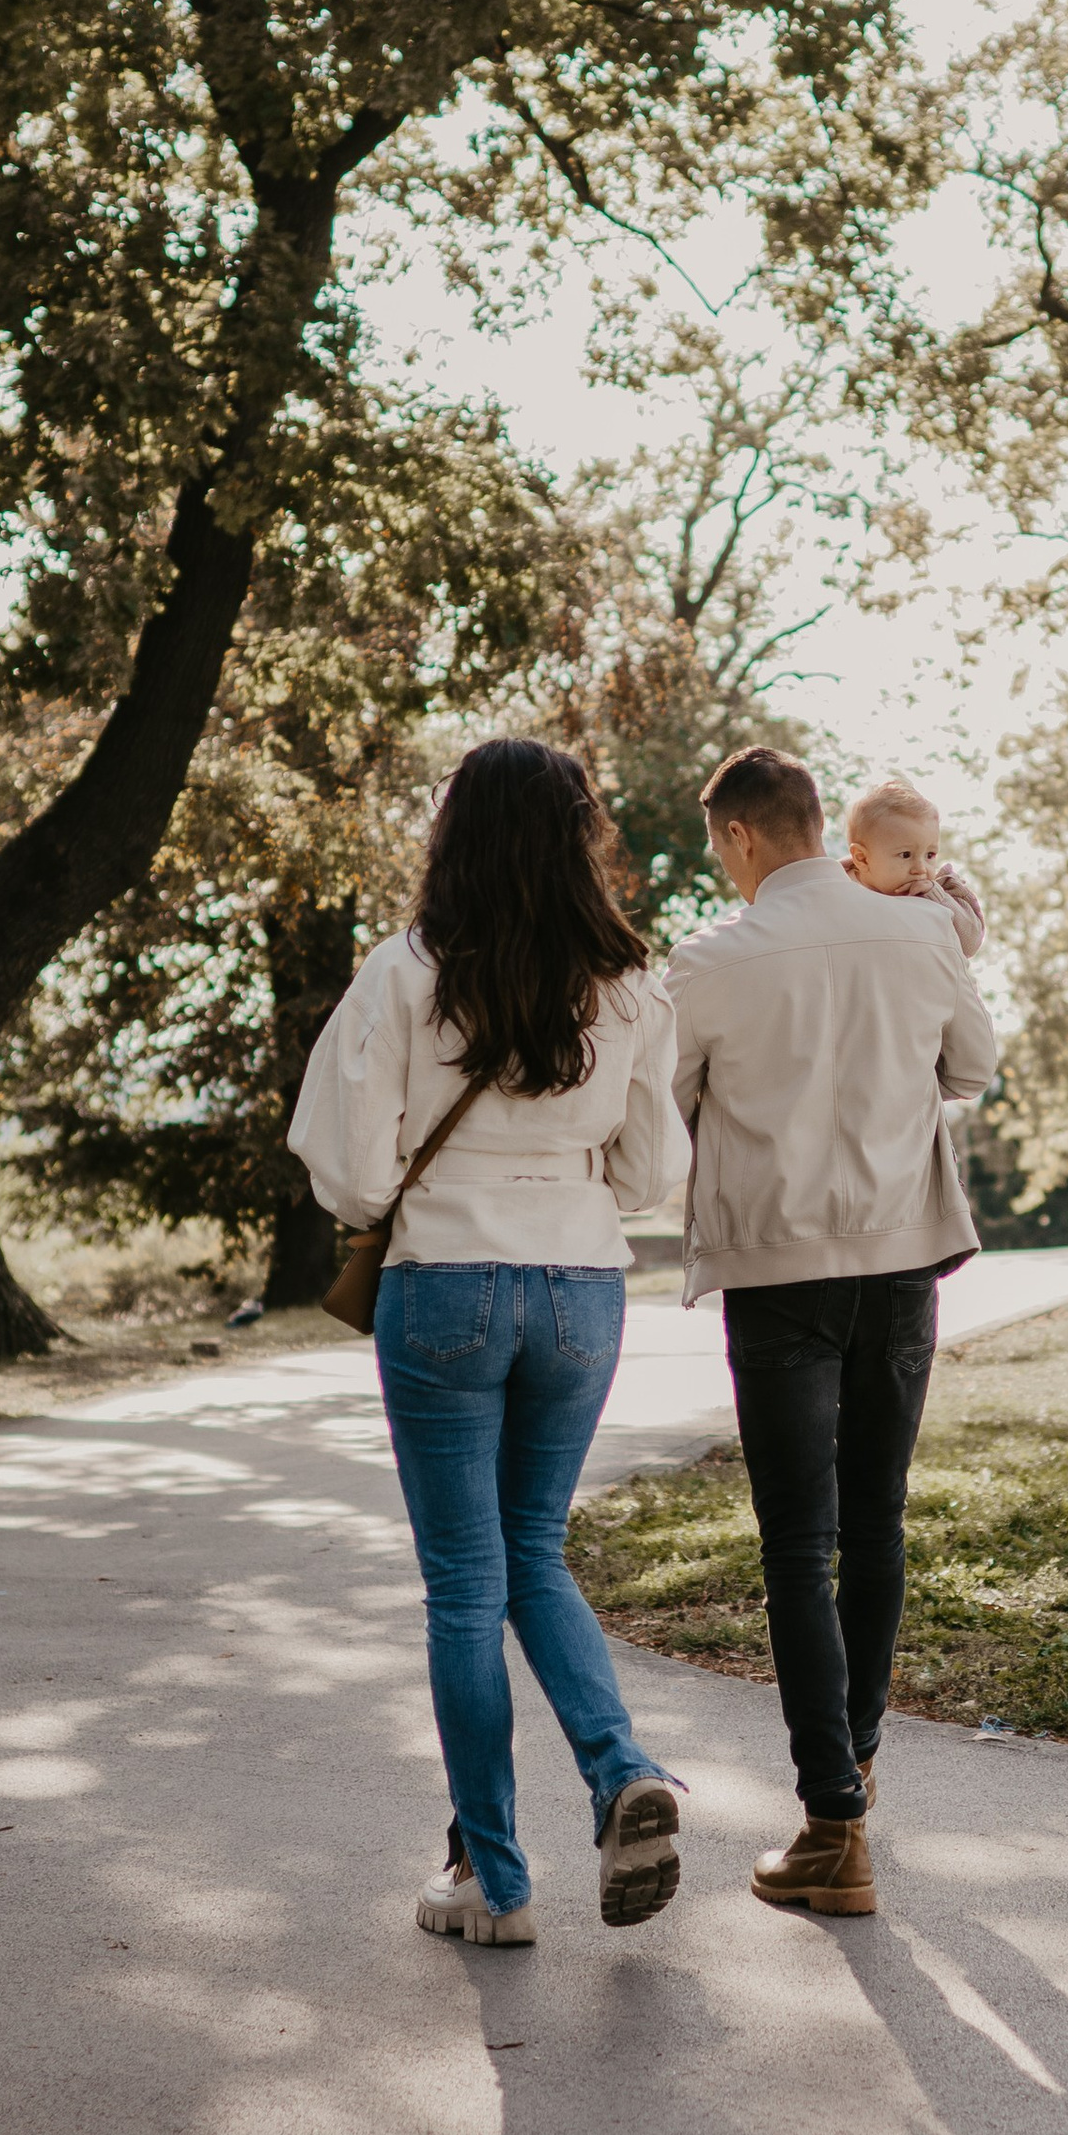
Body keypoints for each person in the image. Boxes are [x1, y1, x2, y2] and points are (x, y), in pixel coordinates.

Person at [290, 738, 690, 1947]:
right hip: (579, 1282)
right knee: (535, 1551)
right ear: (580, 835)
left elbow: (354, 1164)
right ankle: (619, 1767)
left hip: (444, 1283)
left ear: (453, 833)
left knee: (466, 1583)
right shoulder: (628, 980)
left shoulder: (407, 970)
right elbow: (654, 1166)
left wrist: (406, 1201)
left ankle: (497, 1886)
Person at [667, 744, 999, 1917]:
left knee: (795, 1544)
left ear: (743, 836)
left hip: (779, 1269)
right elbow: (974, 1067)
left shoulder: (708, 960)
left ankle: (832, 1824)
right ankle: (850, 1774)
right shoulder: (921, 932)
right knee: (876, 1524)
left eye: (719, 843)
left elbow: (664, 1112)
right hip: (903, 1258)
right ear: (824, 826)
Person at [840, 774, 986, 958]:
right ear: (862, 859)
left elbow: (970, 944)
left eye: (930, 855)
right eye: (906, 855)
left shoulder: (937, 893)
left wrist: (937, 897)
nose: (921, 868)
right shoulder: (836, 885)